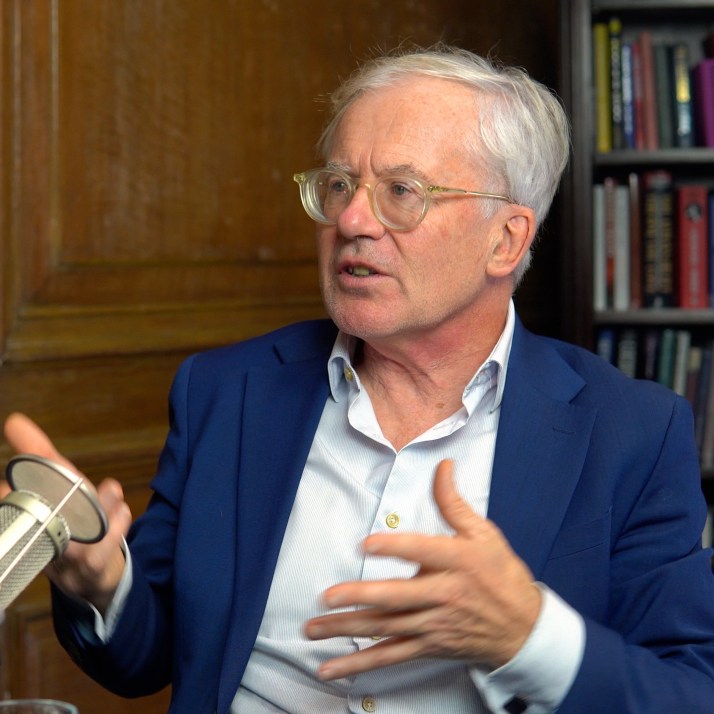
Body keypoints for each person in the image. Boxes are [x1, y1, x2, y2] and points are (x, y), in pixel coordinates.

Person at [4, 43, 714, 714]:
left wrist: (529, 637)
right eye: (340, 184)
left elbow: (688, 692)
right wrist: (103, 583)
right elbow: (149, 652)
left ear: (506, 240)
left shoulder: (631, 433)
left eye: (402, 191)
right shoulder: (225, 392)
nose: (349, 219)